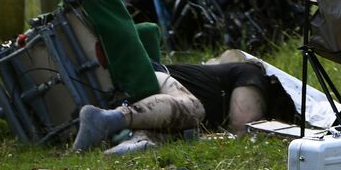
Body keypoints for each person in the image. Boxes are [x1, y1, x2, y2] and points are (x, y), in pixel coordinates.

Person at [72, 61, 294, 154]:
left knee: (154, 142)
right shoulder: (252, 73)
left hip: (162, 109)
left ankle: (115, 143)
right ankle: (106, 120)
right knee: (194, 109)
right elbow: (242, 124)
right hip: (159, 80)